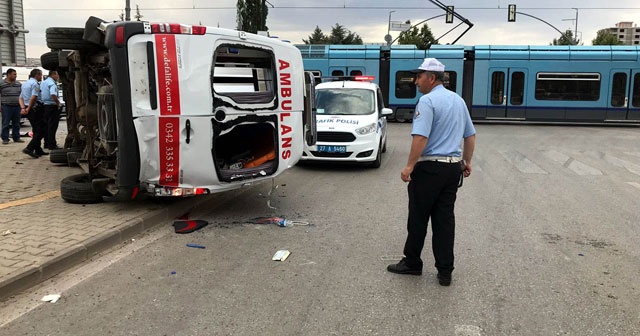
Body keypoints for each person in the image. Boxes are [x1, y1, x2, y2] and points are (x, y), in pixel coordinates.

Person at [386, 58, 476, 287]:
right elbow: (470, 135)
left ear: (431, 78)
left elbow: (421, 137)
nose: (416, 81)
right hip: (452, 168)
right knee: (445, 220)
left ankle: (413, 263)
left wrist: (409, 166)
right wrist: (467, 161)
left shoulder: (427, 102)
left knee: (418, 217)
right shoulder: (458, 101)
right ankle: (445, 271)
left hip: (429, 168)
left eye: (420, 76)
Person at [20, 68, 46, 158]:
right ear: (37, 75)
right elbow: (34, 97)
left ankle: (38, 149)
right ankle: (29, 148)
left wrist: (24, 108)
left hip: (29, 109)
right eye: (41, 75)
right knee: (41, 130)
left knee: (35, 129)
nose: (41, 77)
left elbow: (20, 98)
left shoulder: (24, 84)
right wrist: (29, 108)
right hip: (35, 109)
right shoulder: (35, 84)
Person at [0, 68, 26, 144]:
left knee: (16, 123)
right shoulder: (2, 84)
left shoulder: (18, 84)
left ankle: (16, 137)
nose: (16, 76)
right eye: (14, 74)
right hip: (6, 106)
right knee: (5, 123)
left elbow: (22, 95)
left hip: (17, 106)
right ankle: (5, 138)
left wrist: (22, 106)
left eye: (16, 74)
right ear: (8, 75)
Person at [40, 70, 61, 150]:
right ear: (54, 74)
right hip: (52, 106)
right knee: (52, 127)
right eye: (57, 75)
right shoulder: (52, 84)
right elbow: (53, 94)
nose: (58, 77)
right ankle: (52, 145)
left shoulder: (44, 82)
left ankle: (47, 143)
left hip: (45, 106)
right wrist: (58, 103)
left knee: (47, 126)